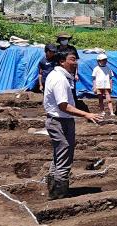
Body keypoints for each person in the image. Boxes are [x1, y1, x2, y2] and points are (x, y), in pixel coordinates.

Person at [44, 48, 103, 199]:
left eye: (76, 59)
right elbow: (63, 105)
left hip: (59, 120)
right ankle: (59, 195)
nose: (75, 63)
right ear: (62, 61)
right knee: (64, 155)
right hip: (60, 121)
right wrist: (87, 114)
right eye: (72, 59)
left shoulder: (59, 75)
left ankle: (53, 189)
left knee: (60, 155)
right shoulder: (59, 79)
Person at [56, 32, 80, 103]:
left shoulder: (72, 49)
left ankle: (72, 105)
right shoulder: (56, 49)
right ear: (59, 40)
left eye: (66, 39)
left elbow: (76, 62)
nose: (65, 40)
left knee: (71, 89)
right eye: (63, 39)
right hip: (59, 72)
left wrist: (76, 74)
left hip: (70, 73)